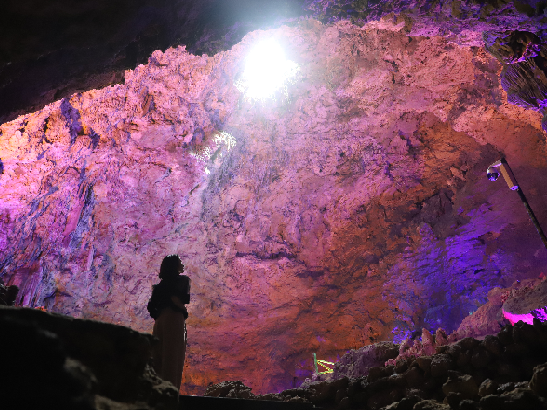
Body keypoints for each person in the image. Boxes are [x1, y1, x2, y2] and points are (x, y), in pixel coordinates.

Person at [147, 255, 191, 392]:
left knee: (158, 356)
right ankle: (170, 393)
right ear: (175, 266)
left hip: (160, 321)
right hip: (175, 319)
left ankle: (158, 393)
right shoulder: (183, 281)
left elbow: (151, 307)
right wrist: (175, 304)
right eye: (179, 262)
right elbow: (184, 299)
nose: (182, 264)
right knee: (173, 356)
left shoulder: (158, 287)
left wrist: (159, 315)